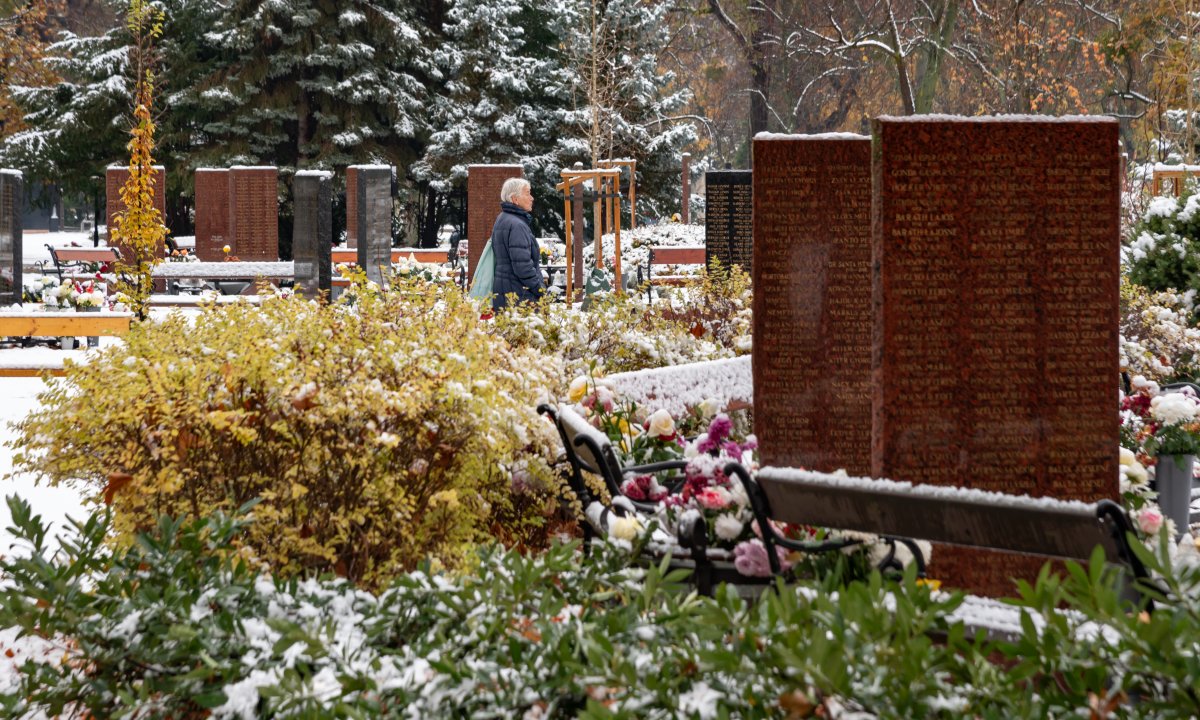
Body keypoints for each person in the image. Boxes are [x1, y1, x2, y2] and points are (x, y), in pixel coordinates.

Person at [490, 178, 544, 310]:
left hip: (505, 292)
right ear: (515, 199)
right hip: (520, 296)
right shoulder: (517, 225)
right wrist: (540, 290)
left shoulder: (502, 219)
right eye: (527, 193)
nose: (532, 198)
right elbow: (523, 267)